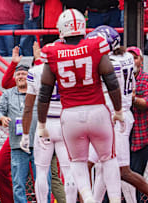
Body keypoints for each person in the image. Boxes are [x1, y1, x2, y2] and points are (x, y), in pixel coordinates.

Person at [37, 9, 123, 203]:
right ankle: (116, 200)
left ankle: (88, 198)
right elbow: (111, 80)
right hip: (97, 111)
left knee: (77, 161)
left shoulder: (52, 51)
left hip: (70, 116)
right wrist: (118, 111)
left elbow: (45, 92)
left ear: (61, 29)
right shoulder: (96, 45)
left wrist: (41, 124)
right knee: (108, 158)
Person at [86, 26, 148, 203]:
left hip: (115, 117)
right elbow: (133, 87)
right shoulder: (127, 57)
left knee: (122, 171)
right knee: (96, 166)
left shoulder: (110, 62)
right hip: (118, 114)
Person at [22, 41, 77, 203]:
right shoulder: (72, 71)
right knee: (69, 172)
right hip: (65, 123)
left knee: (41, 171)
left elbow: (28, 107)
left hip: (44, 124)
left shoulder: (35, 72)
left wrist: (25, 134)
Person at [0, 62, 38, 203]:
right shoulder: (8, 94)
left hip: (38, 143)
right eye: (18, 74)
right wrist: (1, 118)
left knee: (42, 181)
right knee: (18, 183)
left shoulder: (37, 91)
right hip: (17, 144)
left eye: (24, 74)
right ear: (14, 77)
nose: (21, 76)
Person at [126, 46, 148, 201]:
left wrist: (132, 98)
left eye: (135, 57)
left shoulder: (146, 79)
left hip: (141, 136)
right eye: (130, 58)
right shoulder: (117, 77)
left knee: (135, 176)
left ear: (141, 60)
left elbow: (146, 103)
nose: (133, 61)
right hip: (122, 135)